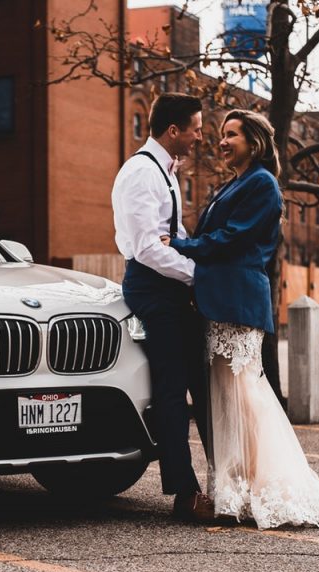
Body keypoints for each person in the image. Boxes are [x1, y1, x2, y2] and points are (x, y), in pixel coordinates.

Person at [164, 109, 319, 529]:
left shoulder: (262, 183)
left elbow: (234, 237)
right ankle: (238, 488)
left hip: (238, 300)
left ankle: (264, 486)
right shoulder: (237, 182)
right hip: (221, 300)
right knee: (229, 395)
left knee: (244, 394)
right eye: (221, 134)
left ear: (255, 141)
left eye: (232, 135)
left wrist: (182, 246)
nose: (222, 142)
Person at [112, 93, 213, 523]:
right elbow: (148, 248)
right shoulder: (140, 173)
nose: (200, 136)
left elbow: (174, 233)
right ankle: (184, 494)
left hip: (172, 288)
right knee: (172, 391)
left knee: (200, 387)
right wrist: (197, 275)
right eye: (196, 127)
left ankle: (221, 483)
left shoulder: (167, 172)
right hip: (154, 289)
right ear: (174, 130)